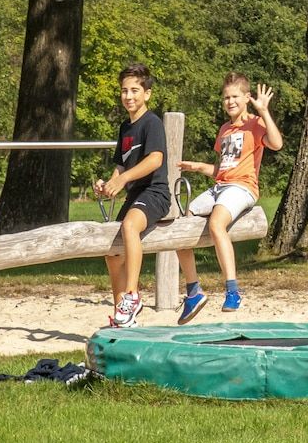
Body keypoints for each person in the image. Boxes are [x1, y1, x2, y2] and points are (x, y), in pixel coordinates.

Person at [176, 77, 282, 318]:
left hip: (242, 187)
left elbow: (276, 144)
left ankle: (233, 290)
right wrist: (197, 166)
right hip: (220, 187)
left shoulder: (255, 124)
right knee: (182, 222)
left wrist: (264, 112)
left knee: (216, 223)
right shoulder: (225, 129)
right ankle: (193, 292)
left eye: (235, 96)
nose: (230, 101)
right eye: (226, 97)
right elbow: (220, 169)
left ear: (246, 98)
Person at [95, 62, 169, 329]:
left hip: (154, 193)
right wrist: (109, 183)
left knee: (129, 226)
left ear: (147, 93)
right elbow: (121, 166)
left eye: (135, 90)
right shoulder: (125, 128)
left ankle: (132, 296)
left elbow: (155, 160)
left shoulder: (152, 123)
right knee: (112, 255)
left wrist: (124, 179)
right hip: (134, 196)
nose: (129, 96)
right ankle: (121, 316)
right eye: (125, 91)